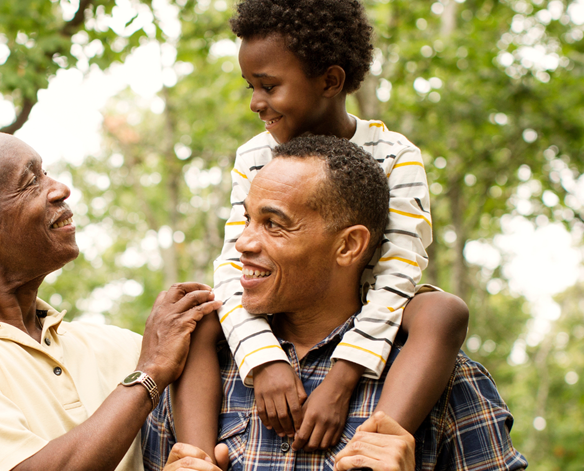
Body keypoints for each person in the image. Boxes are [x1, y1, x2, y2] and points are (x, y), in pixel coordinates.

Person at [0, 127, 416, 471]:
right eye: (29, 181)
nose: (60, 188)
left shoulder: (116, 346)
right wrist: (149, 373)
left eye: (47, 171)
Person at [173, 0, 471, 457]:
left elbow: (399, 270)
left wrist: (342, 377)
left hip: (367, 311)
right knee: (199, 315)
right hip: (277, 305)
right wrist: (264, 360)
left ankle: (376, 446)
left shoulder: (395, 155)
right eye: (251, 86)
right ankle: (196, 458)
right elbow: (235, 264)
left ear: (330, 81)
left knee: (442, 311)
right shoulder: (255, 156)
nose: (255, 103)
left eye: (269, 86)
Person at [144, 136, 527, 470]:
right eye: (247, 220)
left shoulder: (439, 377)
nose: (243, 243)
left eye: (273, 224)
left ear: (348, 245)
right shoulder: (199, 373)